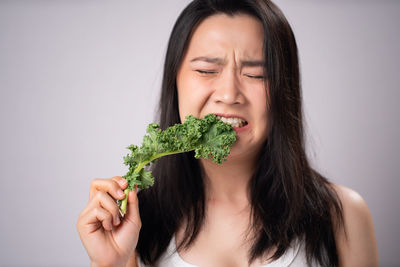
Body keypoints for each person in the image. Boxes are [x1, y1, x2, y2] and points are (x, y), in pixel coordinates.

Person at [77, 0, 378, 266]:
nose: (229, 94)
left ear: (285, 91)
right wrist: (108, 263)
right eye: (207, 70)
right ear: (175, 83)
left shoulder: (344, 215)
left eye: (256, 75)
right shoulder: (134, 220)